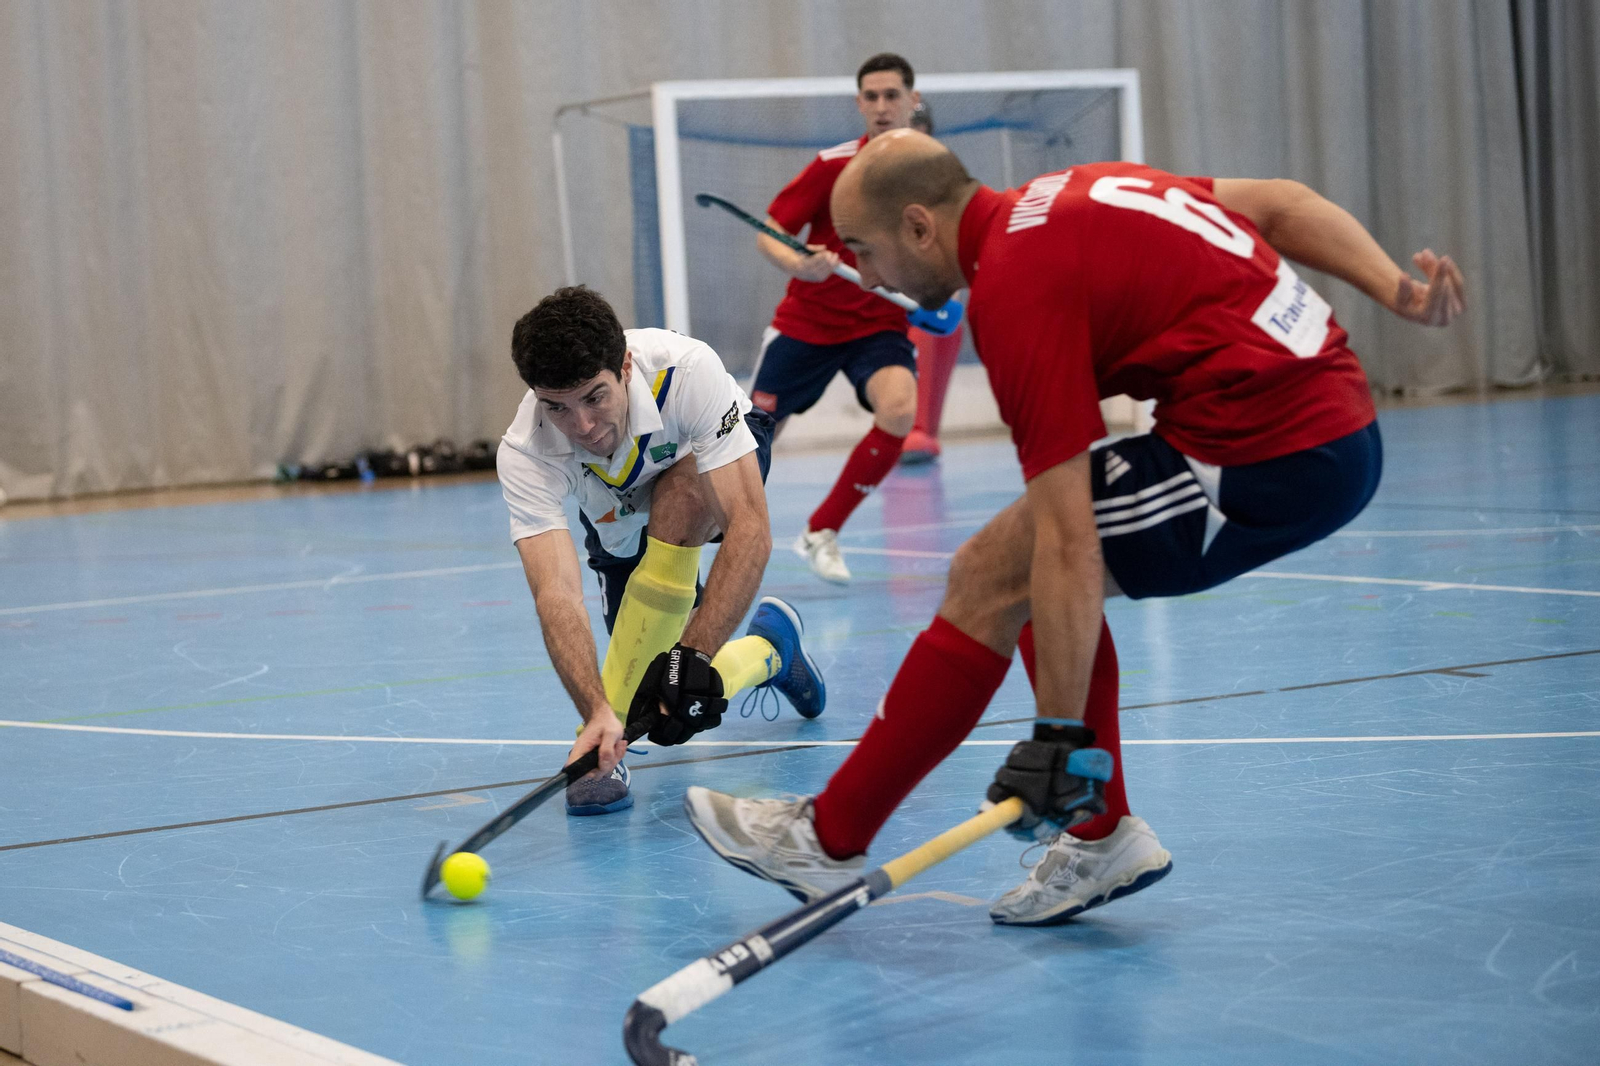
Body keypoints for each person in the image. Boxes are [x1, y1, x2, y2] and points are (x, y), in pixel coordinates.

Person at [685, 131, 1466, 923]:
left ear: (920, 227)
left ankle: (826, 840)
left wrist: (1057, 739)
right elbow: (1280, 202)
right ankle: (1099, 837)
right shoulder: (1073, 191)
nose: (866, 275)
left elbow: (1068, 542)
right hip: (1321, 416)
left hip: (1271, 452)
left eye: (864, 250)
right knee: (1011, 565)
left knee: (996, 574)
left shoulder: (1017, 290)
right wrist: (1398, 293)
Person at [497, 286, 827, 815]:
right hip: (620, 521)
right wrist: (598, 704)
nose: (582, 427)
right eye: (556, 407)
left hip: (715, 463)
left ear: (625, 366)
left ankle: (598, 742)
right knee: (663, 691)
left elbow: (749, 527)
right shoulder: (524, 452)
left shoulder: (688, 371)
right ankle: (773, 652)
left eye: (594, 397)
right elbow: (556, 593)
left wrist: (692, 655)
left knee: (681, 500)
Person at [750, 52, 923, 584]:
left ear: (913, 101)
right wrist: (802, 264)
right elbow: (770, 229)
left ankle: (822, 531)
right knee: (751, 440)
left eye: (892, 95)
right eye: (870, 97)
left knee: (898, 408)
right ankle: (695, 539)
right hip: (809, 324)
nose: (881, 106)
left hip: (880, 325)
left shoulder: (932, 172)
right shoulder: (833, 164)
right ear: (859, 104)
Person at [899, 101, 963, 465]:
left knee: (939, 331)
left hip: (932, 284)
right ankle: (906, 427)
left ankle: (923, 429)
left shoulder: (945, 178)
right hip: (895, 285)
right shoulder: (879, 176)